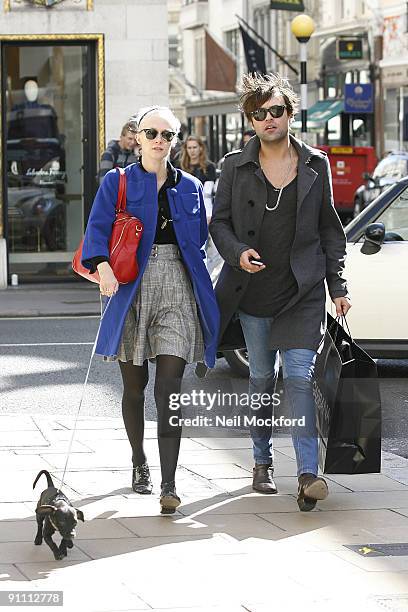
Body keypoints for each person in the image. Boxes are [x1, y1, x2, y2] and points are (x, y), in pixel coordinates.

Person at [209, 73, 351, 512]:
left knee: (299, 380)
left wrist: (337, 287)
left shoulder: (315, 163)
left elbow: (331, 228)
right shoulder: (233, 165)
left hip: (302, 292)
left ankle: (309, 474)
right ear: (249, 120)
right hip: (253, 294)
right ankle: (261, 461)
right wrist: (236, 253)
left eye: (276, 110)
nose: (268, 119)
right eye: (259, 113)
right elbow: (219, 223)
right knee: (260, 380)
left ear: (290, 113)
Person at [81, 106, 220, 514]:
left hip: (178, 286)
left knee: (170, 390)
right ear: (137, 137)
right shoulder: (117, 181)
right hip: (131, 288)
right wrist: (102, 266)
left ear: (175, 141)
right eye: (151, 133)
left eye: (168, 134)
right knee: (134, 386)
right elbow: (97, 229)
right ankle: (139, 460)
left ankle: (169, 483)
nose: (160, 140)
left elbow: (197, 243)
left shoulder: (191, 186)